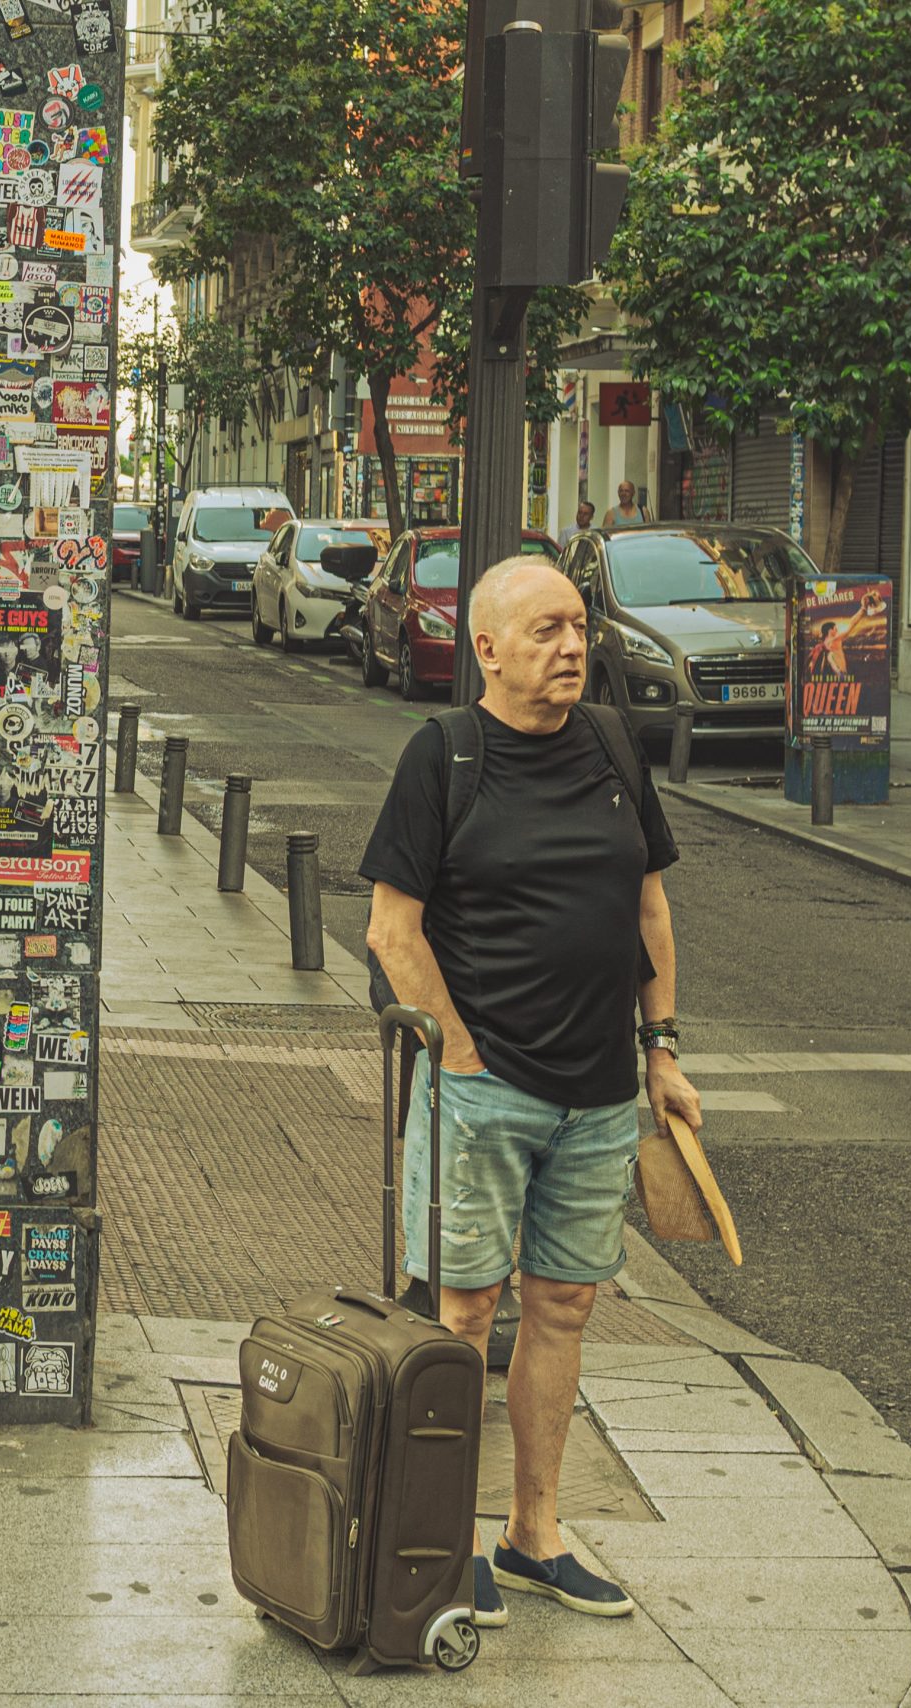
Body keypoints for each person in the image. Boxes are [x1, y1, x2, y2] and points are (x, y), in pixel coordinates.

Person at [362, 557, 702, 1629]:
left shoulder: (610, 744)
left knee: (563, 1305)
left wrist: (664, 1051)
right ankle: (445, 1542)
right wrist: (458, 1051)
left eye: (580, 624)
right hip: (484, 1090)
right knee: (462, 1315)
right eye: (549, 628)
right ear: (489, 649)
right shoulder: (443, 757)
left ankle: (533, 1534)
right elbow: (390, 930)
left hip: (599, 1091)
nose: (574, 644)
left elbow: (648, 911)